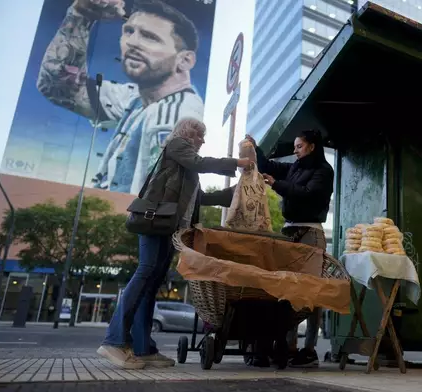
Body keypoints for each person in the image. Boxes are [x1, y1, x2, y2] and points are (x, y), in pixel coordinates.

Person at [98, 118, 251, 369]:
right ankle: (114, 340)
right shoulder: (176, 145)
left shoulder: (186, 167)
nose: (202, 140)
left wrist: (238, 190)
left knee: (152, 283)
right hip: (155, 222)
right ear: (189, 134)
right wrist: (237, 163)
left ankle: (143, 348)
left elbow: (200, 198)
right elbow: (200, 163)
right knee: (145, 272)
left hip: (171, 228)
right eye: (200, 135)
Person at [37, 0, 207, 194]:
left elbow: (160, 196)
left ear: (185, 60)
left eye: (149, 37)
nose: (132, 43)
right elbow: (56, 84)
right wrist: (81, 14)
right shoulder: (138, 97)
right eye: (129, 31)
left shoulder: (174, 116)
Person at [245, 130, 334, 368]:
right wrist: (256, 149)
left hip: (310, 234)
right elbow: (270, 166)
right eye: (295, 147)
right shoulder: (295, 167)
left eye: (299, 147)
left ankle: (309, 348)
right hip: (289, 232)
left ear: (312, 147)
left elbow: (308, 194)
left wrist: (276, 185)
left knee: (311, 292)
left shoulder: (324, 171)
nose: (295, 151)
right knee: (286, 290)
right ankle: (288, 346)